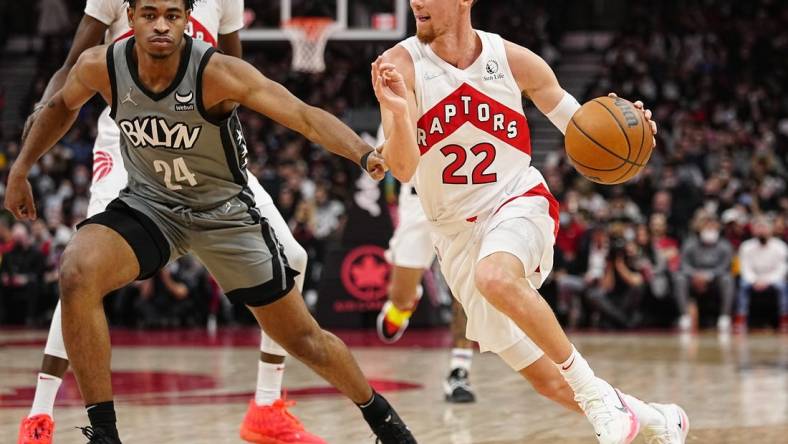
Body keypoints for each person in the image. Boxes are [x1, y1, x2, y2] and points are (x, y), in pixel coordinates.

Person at [5, 0, 416, 443]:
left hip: (223, 215)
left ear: (187, 20)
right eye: (149, 15)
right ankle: (104, 433)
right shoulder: (101, 65)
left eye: (171, 15)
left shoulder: (217, 72)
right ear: (130, 16)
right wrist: (21, 167)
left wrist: (364, 153)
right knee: (77, 270)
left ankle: (381, 418)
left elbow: (302, 116)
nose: (160, 25)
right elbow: (61, 106)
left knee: (304, 339)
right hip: (152, 205)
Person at [371, 1, 688, 442]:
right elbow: (403, 169)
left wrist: (630, 128)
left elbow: (582, 128)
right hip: (454, 233)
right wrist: (399, 113)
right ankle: (660, 419)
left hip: (517, 201)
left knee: (496, 275)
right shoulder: (399, 65)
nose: (416, 2)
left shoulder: (513, 60)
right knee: (547, 381)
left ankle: (597, 400)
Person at [376, 126, 477, 403]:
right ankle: (403, 304)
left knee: (464, 287)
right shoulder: (402, 96)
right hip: (417, 202)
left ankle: (460, 370)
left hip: (463, 199)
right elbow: (385, 162)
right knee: (401, 295)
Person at [677, 215, 734, 332]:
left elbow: (726, 266)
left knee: (727, 279)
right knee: (680, 278)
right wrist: (695, 275)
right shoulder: (690, 243)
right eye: (707, 227)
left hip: (715, 279)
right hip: (693, 279)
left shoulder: (725, 245)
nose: (709, 230)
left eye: (713, 227)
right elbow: (683, 264)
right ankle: (685, 316)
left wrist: (709, 275)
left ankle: (724, 317)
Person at [734, 215, 788, 333]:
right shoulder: (746, 246)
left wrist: (767, 281)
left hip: (773, 279)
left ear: (771, 229)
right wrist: (754, 280)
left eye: (764, 227)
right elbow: (744, 268)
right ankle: (741, 319)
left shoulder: (781, 246)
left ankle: (784, 319)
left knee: (783, 287)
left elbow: (782, 269)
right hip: (753, 279)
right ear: (753, 230)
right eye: (758, 227)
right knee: (743, 285)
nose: (761, 230)